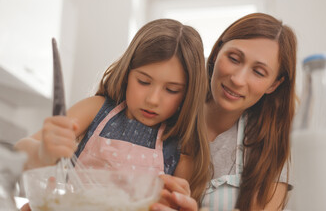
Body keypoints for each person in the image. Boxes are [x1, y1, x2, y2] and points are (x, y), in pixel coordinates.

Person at [15, 18, 211, 203]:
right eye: (143, 81)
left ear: (188, 94)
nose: (152, 100)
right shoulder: (96, 109)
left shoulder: (182, 148)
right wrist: (42, 153)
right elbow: (20, 152)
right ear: (127, 74)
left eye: (171, 90)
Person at [151, 12, 297, 211]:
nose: (237, 79)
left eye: (258, 72)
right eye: (234, 59)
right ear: (218, 50)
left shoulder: (272, 143)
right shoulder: (170, 101)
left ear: (274, 85)